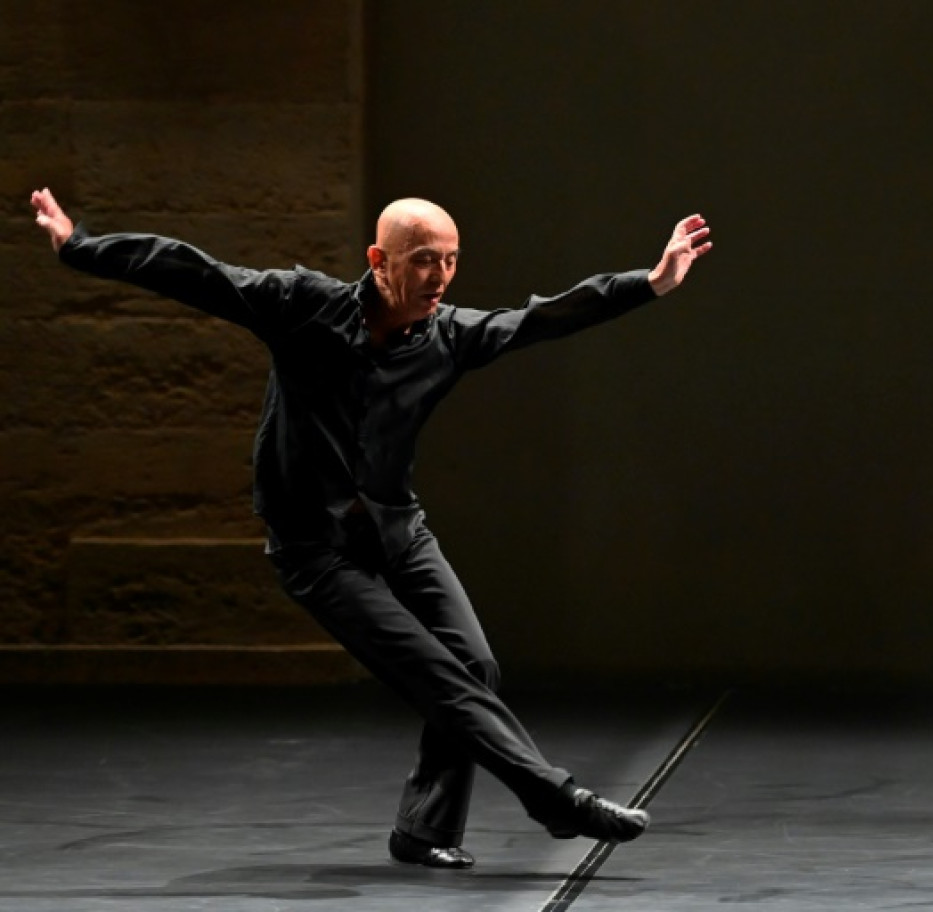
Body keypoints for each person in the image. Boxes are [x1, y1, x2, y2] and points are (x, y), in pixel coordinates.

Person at [30, 187, 712, 867]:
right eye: (423, 261)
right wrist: (79, 244)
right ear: (378, 260)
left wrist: (649, 284)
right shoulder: (303, 307)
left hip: (395, 528)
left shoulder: (449, 337)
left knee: (473, 664)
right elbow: (193, 270)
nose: (440, 277)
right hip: (313, 549)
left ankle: (424, 831)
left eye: (451, 260)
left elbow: (540, 318)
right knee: (438, 674)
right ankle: (554, 799)